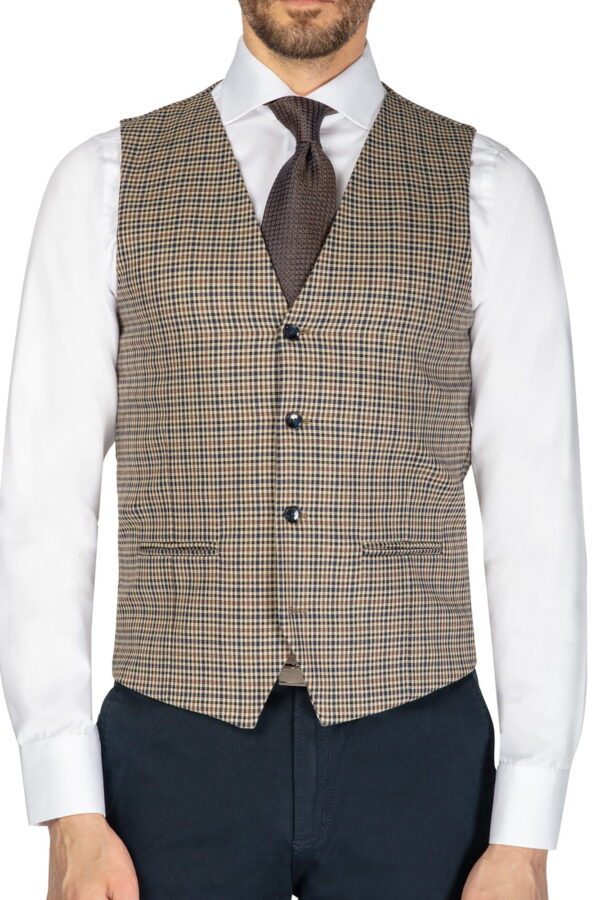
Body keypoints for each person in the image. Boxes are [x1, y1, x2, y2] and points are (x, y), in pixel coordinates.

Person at [0, 1, 587, 898]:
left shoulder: (491, 190)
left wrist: (528, 833)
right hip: (171, 747)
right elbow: (43, 501)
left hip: (418, 747)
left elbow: (536, 513)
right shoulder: (103, 182)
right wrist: (67, 805)